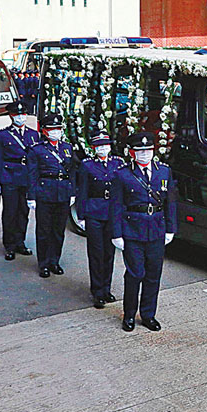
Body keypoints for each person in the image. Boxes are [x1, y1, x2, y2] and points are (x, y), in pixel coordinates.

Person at [111, 132, 177, 331]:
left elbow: (171, 202)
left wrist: (171, 228)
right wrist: (117, 234)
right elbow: (116, 206)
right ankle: (129, 315)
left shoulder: (163, 171)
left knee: (153, 274)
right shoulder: (122, 174)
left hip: (156, 229)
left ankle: (148, 315)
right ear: (132, 153)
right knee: (135, 274)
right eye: (140, 151)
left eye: (148, 151)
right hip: (133, 230)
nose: (145, 155)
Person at [78, 132, 125, 308]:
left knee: (109, 253)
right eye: (99, 146)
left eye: (105, 145)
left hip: (112, 213)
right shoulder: (87, 165)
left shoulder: (118, 164)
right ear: (93, 148)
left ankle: (106, 288)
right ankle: (97, 291)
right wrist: (82, 215)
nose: (103, 149)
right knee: (96, 253)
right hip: (94, 213)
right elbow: (82, 191)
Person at [26, 113, 76, 278]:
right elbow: (32, 174)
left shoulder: (67, 148)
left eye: (58, 129)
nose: (56, 132)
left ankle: (55, 261)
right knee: (44, 230)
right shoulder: (37, 150)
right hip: (45, 192)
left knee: (58, 230)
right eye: (52, 129)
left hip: (62, 192)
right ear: (45, 131)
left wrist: (73, 192)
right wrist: (31, 196)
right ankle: (44, 263)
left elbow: (73, 171)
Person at [0, 101, 40, 261]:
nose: (21, 117)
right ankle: (9, 245)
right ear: (11, 116)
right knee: (10, 212)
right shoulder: (1, 135)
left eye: (23, 114)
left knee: (23, 212)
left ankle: (20, 242)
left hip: (26, 177)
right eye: (17, 114)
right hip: (9, 177)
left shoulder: (34, 134)